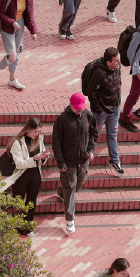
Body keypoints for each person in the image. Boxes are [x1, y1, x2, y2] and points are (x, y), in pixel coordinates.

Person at [0, 118, 50, 237]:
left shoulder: (39, 140)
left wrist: (44, 157)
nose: (37, 134)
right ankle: (15, 225)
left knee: (31, 201)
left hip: (35, 175)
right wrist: (34, 159)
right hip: (21, 176)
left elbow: (41, 158)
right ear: (28, 130)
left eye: (39, 131)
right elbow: (19, 164)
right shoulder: (18, 143)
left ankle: (27, 228)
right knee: (18, 200)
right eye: (35, 131)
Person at [52, 93, 98, 234]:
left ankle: (62, 192)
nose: (80, 111)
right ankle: (69, 220)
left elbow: (94, 134)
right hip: (68, 163)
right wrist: (61, 163)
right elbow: (56, 143)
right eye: (77, 108)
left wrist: (90, 150)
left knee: (78, 184)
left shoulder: (88, 115)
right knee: (71, 188)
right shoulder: (62, 120)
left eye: (81, 108)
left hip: (83, 161)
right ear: (70, 104)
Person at [0, 0, 37, 90]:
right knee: (12, 56)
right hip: (8, 27)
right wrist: (12, 22)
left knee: (16, 54)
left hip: (20, 25)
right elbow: (0, 14)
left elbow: (30, 14)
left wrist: (33, 31)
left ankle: (12, 79)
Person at [87, 47, 124, 175]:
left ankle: (115, 160)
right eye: (116, 61)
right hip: (101, 111)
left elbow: (119, 85)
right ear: (108, 62)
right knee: (94, 133)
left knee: (113, 133)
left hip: (115, 107)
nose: (119, 63)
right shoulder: (98, 73)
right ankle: (85, 156)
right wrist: (99, 109)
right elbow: (91, 93)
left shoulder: (117, 68)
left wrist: (118, 102)